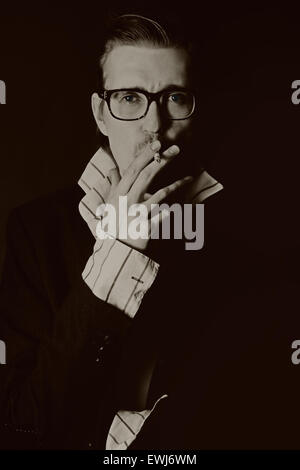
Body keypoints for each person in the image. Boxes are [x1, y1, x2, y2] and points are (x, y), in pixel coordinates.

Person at [0, 14, 299, 451]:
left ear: (197, 110)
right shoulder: (35, 231)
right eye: (128, 98)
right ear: (102, 114)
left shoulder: (259, 240)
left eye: (175, 98)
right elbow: (22, 425)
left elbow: (257, 416)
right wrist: (119, 248)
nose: (154, 126)